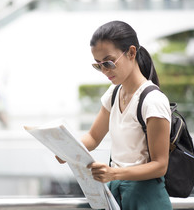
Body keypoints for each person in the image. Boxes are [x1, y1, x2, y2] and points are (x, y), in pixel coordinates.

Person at [57, 21, 172, 209]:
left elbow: (160, 166)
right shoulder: (114, 93)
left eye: (109, 62)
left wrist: (114, 174)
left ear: (131, 53)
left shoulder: (153, 101)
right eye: (98, 65)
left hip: (146, 199)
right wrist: (68, 151)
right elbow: (93, 137)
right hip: (117, 195)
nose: (104, 71)